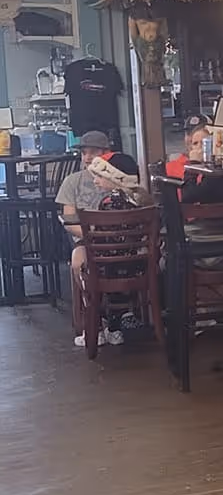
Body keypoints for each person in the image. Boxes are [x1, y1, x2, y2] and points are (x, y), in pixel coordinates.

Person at [56, 131, 147, 347]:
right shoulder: (73, 182)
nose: (87, 157)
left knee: (96, 271)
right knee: (81, 261)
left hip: (113, 248)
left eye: (93, 152)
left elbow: (67, 219)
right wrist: (92, 237)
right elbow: (71, 223)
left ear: (107, 155)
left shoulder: (116, 193)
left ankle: (103, 319)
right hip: (93, 240)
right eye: (84, 152)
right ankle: (109, 318)